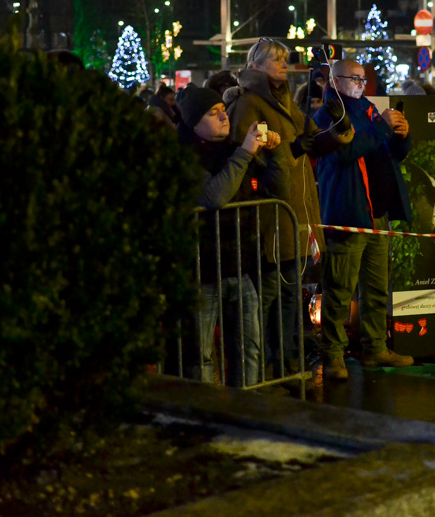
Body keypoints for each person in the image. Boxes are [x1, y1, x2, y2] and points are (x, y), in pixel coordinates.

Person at [224, 38, 353, 376]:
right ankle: (267, 369)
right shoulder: (249, 103)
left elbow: (311, 140)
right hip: (270, 217)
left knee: (292, 297)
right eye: (276, 59)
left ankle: (290, 364)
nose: (283, 64)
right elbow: (249, 159)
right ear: (256, 65)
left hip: (296, 212)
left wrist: (338, 131)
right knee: (269, 297)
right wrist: (289, 150)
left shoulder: (284, 102)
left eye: (284, 59)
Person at [176, 86, 288, 386]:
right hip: (202, 270)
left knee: (248, 349)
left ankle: (247, 410)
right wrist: (245, 153)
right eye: (213, 113)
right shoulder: (183, 155)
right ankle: (210, 415)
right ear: (194, 122)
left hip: (241, 264)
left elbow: (280, 190)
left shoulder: (233, 148)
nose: (224, 116)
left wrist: (275, 153)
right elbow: (214, 196)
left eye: (222, 109)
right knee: (201, 355)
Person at [312, 59, 415, 380]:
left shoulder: (369, 109)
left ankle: (375, 348)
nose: (360, 83)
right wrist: (383, 126)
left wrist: (402, 136)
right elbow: (346, 151)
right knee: (340, 289)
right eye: (353, 78)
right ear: (335, 80)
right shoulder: (328, 113)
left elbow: (391, 155)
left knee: (376, 288)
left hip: (376, 215)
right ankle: (333, 355)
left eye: (362, 78)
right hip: (348, 214)